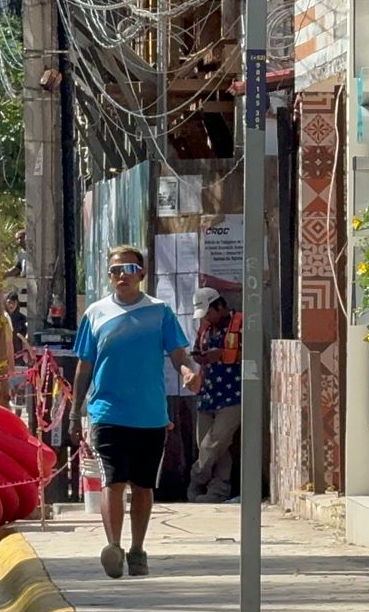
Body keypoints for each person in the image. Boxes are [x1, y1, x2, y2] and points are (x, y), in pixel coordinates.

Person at [70, 246, 201, 579]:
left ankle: (137, 549)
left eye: (129, 269)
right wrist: (74, 413)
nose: (122, 276)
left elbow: (179, 355)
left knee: (143, 485)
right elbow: (84, 367)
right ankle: (113, 546)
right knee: (113, 480)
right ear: (109, 276)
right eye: (115, 270)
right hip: (107, 412)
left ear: (142, 274)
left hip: (150, 414)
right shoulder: (95, 314)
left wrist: (189, 371)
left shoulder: (159, 312)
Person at [188, 287, 242, 501]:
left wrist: (223, 354)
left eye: (209, 313)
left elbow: (255, 353)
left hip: (233, 394)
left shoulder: (240, 323)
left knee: (213, 443)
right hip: (208, 393)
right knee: (213, 445)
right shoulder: (206, 328)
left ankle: (196, 479)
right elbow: (196, 350)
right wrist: (201, 357)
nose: (207, 318)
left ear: (219, 306)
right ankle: (217, 492)